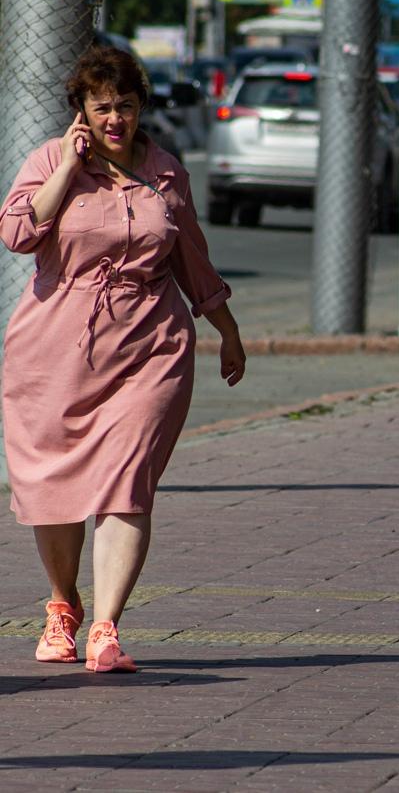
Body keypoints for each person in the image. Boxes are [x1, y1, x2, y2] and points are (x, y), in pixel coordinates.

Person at [0, 45, 245, 673]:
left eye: (127, 106)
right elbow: (18, 233)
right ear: (80, 110)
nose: (116, 119)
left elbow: (191, 257)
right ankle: (63, 605)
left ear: (142, 108)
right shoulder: (49, 160)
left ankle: (106, 628)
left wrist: (226, 328)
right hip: (55, 348)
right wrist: (67, 167)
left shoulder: (165, 172)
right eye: (103, 107)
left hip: (151, 346)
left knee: (127, 481)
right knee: (52, 486)